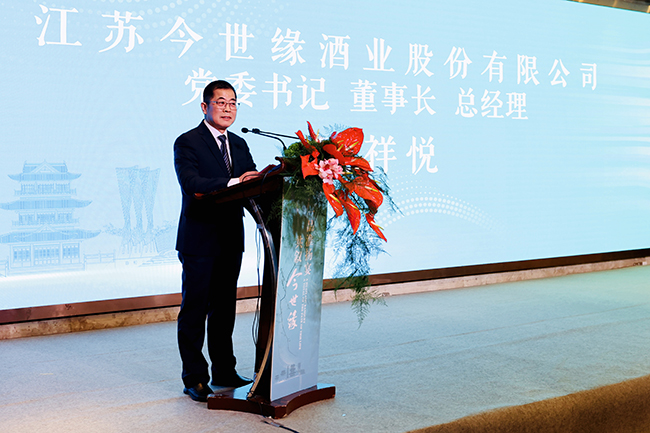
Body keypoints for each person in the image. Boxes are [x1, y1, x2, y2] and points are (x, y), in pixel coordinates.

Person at [174, 79, 258, 402]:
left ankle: (224, 370)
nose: (228, 108)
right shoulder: (188, 142)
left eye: (233, 103)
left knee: (224, 310)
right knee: (195, 309)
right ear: (204, 106)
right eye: (221, 102)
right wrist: (235, 181)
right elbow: (192, 183)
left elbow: (252, 183)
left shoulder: (239, 143)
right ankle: (194, 377)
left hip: (230, 238)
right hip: (199, 239)